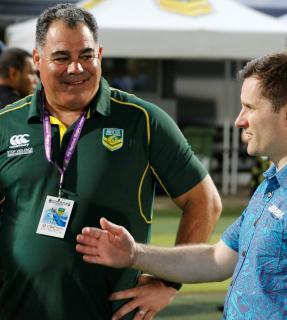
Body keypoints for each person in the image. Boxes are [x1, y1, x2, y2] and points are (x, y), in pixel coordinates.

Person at [77, 50, 287, 320]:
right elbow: (217, 258)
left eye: (250, 107)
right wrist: (135, 254)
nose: (240, 120)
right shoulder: (278, 181)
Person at [0, 4, 221, 320]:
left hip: (111, 313)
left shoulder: (142, 121)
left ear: (100, 55)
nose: (76, 68)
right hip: (19, 309)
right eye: (61, 57)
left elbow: (204, 201)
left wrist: (169, 282)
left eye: (86, 56)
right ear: (37, 60)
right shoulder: (6, 124)